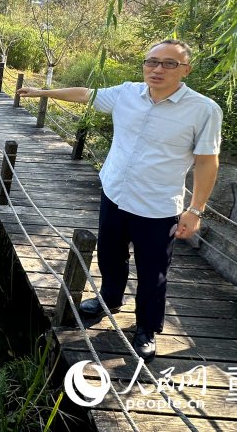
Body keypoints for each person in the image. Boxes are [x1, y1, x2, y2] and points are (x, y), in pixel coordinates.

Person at [16, 39, 222, 362]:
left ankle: (146, 329)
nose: (157, 69)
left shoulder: (203, 110)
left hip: (156, 208)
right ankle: (110, 298)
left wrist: (196, 209)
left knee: (153, 273)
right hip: (114, 194)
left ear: (186, 70)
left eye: (169, 63)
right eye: (152, 62)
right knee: (110, 255)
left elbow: (207, 161)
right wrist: (43, 93)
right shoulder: (127, 93)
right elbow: (86, 95)